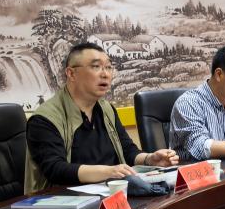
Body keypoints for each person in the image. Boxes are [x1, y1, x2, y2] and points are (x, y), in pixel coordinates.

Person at [25, 42, 178, 193]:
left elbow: (127, 151)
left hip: (112, 192)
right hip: (64, 199)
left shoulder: (106, 109)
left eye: (109, 67)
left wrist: (149, 159)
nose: (105, 74)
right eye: (96, 66)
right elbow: (56, 169)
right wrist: (109, 172)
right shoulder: (45, 118)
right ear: (71, 74)